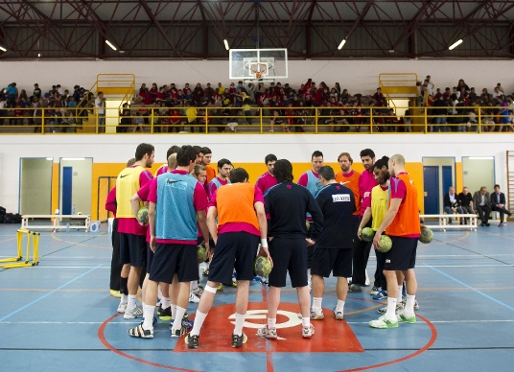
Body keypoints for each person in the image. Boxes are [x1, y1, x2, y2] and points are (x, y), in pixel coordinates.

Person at [128, 145, 209, 339]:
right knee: (183, 282)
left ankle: (147, 326)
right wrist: (207, 240)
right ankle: (177, 325)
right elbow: (201, 216)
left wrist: (154, 234)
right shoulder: (195, 185)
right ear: (191, 162)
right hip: (187, 240)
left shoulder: (159, 180)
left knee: (154, 279)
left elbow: (152, 211)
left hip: (164, 238)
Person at [186, 167, 270, 349]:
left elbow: (209, 217)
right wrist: (264, 244)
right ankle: (238, 334)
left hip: (226, 234)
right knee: (243, 283)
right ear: (246, 179)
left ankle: (194, 334)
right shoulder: (253, 188)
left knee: (211, 284)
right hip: (249, 235)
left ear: (230, 179)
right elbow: (261, 213)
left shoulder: (219, 190)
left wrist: (218, 242)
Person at [258, 159, 323, 340]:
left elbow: (261, 214)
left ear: (276, 174)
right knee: (302, 285)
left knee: (275, 286)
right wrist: (313, 237)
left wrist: (267, 235)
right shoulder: (303, 192)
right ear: (291, 172)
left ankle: (271, 327)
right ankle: (306, 327)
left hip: (278, 243)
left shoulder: (272, 192)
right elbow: (318, 215)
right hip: (299, 243)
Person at [369, 154, 420, 329]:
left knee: (389, 272)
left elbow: (393, 210)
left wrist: (379, 232)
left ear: (392, 163)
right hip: (413, 232)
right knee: (408, 271)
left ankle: (391, 316)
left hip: (400, 233)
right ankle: (408, 313)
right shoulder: (411, 181)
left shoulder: (398, 182)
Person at [310, 166, 357, 321]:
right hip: (346, 240)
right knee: (343, 275)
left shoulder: (322, 193)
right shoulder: (349, 192)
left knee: (317, 273)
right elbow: (352, 212)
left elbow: (316, 217)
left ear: (322, 178)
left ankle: (317, 310)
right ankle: (340, 310)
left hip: (326, 240)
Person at [115, 143, 155, 319]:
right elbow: (148, 200)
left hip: (121, 223)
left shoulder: (122, 173)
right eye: (153, 156)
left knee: (128, 264)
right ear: (146, 155)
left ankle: (124, 302)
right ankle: (131, 307)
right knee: (138, 267)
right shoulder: (143, 173)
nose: (154, 159)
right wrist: (144, 219)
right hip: (137, 224)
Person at [105, 157, 136, 298]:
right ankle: (115, 286)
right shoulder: (119, 186)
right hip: (120, 222)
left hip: (132, 222)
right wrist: (119, 212)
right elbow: (109, 203)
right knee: (119, 256)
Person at [349, 148, 378, 292]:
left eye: (368, 160)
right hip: (364, 216)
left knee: (380, 251)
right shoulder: (362, 176)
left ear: (374, 159)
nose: (365, 163)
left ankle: (379, 284)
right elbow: (361, 197)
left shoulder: (380, 175)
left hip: (378, 217)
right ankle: (357, 281)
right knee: (358, 251)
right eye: (363, 160)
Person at [297, 150, 324, 289]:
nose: (318, 164)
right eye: (316, 162)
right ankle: (306, 279)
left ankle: (315, 279)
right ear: (312, 161)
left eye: (320, 162)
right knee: (307, 251)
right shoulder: (305, 177)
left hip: (320, 220)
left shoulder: (326, 176)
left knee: (319, 252)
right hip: (307, 220)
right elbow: (298, 197)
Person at [334, 152, 361, 216]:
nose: (343, 163)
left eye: (345, 161)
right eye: (341, 161)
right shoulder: (336, 176)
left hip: (355, 214)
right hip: (340, 213)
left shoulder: (359, 176)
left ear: (350, 162)